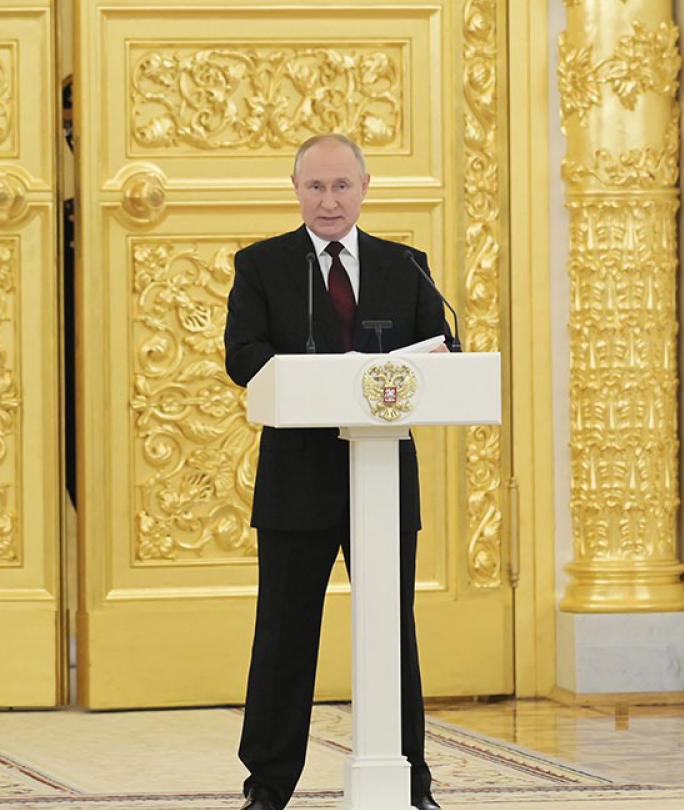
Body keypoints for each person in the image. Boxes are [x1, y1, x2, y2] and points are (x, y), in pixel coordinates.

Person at [224, 133, 450, 810]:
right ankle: (268, 786)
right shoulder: (262, 266)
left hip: (382, 475)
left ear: (365, 187)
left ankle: (412, 782)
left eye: (341, 186)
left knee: (392, 629)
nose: (329, 200)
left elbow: (443, 350)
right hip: (298, 478)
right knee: (285, 634)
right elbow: (244, 357)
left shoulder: (405, 266)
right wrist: (317, 377)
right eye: (315, 187)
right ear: (295, 189)